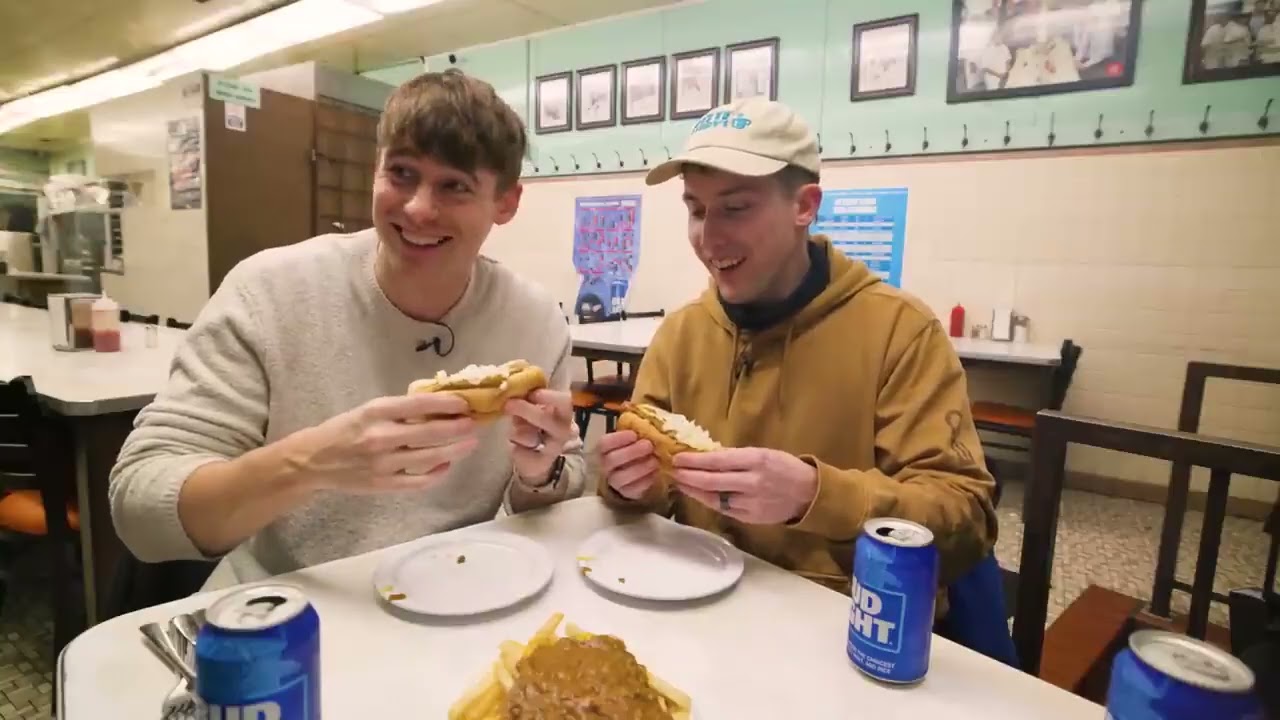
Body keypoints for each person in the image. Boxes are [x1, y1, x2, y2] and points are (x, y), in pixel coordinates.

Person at [110, 69, 584, 589]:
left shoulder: (535, 321)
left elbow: (564, 481)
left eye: (455, 186)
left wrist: (540, 474)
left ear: (506, 203)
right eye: (401, 173)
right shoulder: (268, 292)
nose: (418, 208)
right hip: (289, 599)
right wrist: (313, 463)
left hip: (460, 591)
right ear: (375, 169)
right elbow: (139, 509)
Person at [597, 98, 998, 598]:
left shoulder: (901, 332)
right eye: (696, 210)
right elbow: (651, 502)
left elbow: (966, 520)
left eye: (735, 208)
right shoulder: (680, 335)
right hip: (697, 603)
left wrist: (815, 496)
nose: (708, 238)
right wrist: (628, 485)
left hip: (847, 617)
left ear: (805, 206)